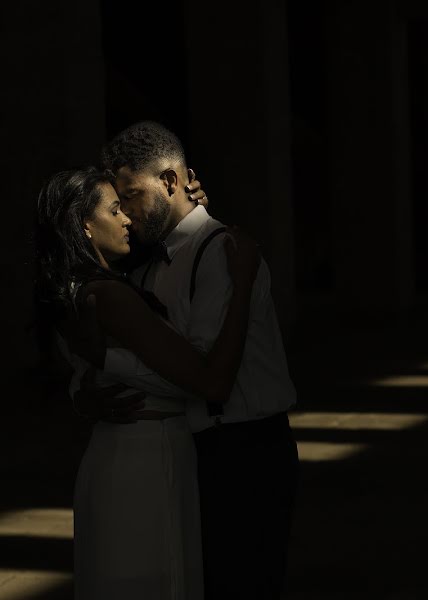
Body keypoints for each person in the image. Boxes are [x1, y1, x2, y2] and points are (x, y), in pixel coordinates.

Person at [34, 167, 262, 599]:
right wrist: (243, 284)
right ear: (84, 224)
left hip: (120, 450)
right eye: (116, 209)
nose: (127, 221)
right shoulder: (111, 296)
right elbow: (212, 382)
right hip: (147, 456)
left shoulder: (78, 289)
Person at [96, 120, 299, 599]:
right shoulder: (146, 259)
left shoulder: (222, 251)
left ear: (170, 182)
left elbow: (208, 374)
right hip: (192, 451)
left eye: (130, 195)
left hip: (245, 451)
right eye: (118, 201)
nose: (124, 212)